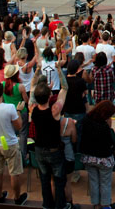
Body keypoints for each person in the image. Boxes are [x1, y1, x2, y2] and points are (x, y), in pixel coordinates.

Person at [31, 61, 73, 209]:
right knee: (59, 180)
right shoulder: (54, 110)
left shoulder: (33, 109)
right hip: (54, 151)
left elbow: (32, 89)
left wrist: (37, 73)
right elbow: (65, 88)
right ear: (49, 95)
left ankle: (47, 205)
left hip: (39, 150)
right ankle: (60, 205)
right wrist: (59, 70)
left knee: (44, 180)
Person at [80, 100, 115, 209]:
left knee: (94, 182)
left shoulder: (86, 119)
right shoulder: (104, 127)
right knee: (105, 183)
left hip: (89, 157)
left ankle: (96, 205)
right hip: (104, 158)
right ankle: (105, 205)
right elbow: (111, 142)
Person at [2, 64, 29, 160]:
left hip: (8, 112)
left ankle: (9, 154)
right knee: (23, 133)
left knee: (9, 133)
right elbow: (26, 100)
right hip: (21, 111)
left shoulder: (2, 85)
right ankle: (22, 155)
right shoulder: (20, 86)